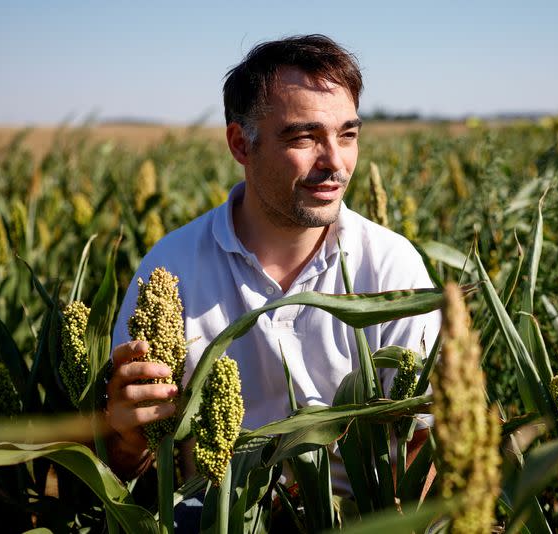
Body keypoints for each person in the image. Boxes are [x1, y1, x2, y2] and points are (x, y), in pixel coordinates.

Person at [105, 34, 440, 498]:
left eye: (347, 135)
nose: (335, 163)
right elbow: (129, 465)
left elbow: (422, 444)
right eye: (304, 137)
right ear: (241, 145)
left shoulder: (391, 266)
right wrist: (127, 436)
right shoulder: (171, 269)